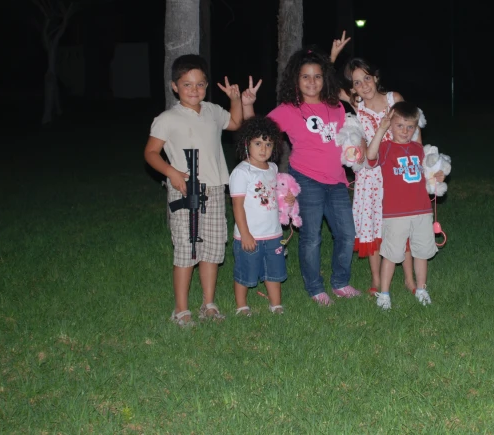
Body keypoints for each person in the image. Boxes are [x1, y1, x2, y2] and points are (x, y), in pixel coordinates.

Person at [241, 47, 362, 305]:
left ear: (325, 79)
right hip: (306, 179)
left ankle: (340, 282)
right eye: (305, 76)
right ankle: (315, 288)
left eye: (317, 76)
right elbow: (258, 132)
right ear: (296, 79)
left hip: (337, 180)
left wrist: (356, 154)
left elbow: (347, 139)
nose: (311, 82)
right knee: (311, 237)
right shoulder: (289, 110)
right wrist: (248, 105)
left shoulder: (336, 107)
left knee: (347, 234)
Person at [144, 54, 258, 326]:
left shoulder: (212, 111)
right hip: (185, 190)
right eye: (187, 85)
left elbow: (235, 123)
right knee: (186, 249)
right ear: (175, 86)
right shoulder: (167, 118)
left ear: (206, 85)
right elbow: (150, 153)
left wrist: (234, 99)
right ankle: (181, 310)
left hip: (216, 187)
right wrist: (171, 172)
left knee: (213, 248)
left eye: (199, 84)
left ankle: (209, 303)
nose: (194, 90)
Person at [342, 57, 420, 295]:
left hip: (396, 172)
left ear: (375, 77)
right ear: (352, 88)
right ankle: (376, 281)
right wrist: (333, 56)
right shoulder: (357, 105)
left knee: (400, 224)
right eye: (357, 82)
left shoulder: (393, 99)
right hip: (370, 175)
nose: (364, 85)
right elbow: (327, 84)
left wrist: (418, 166)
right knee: (373, 227)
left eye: (367, 78)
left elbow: (412, 130)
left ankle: (409, 279)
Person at [365, 102, 445, 310]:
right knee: (391, 254)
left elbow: (429, 175)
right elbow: (370, 156)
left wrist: (438, 175)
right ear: (391, 125)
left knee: (421, 252)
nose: (405, 131)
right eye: (399, 125)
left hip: (421, 210)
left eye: (410, 127)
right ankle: (383, 294)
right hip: (395, 213)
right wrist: (381, 130)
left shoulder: (419, 149)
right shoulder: (386, 147)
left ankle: (421, 289)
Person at [229, 116, 294, 316]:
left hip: (273, 233)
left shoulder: (273, 169)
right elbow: (237, 206)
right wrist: (245, 234)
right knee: (245, 272)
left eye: (268, 144)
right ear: (247, 143)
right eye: (258, 143)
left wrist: (287, 199)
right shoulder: (242, 172)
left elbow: (275, 196)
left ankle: (276, 304)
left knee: (274, 272)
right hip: (250, 235)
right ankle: (241, 306)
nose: (263, 149)